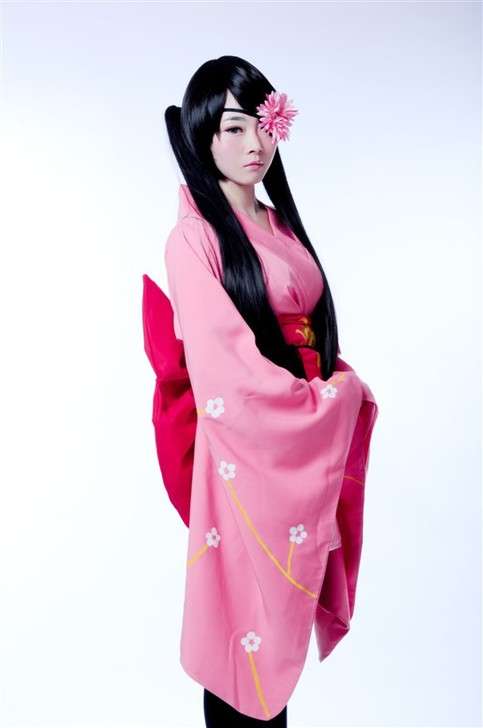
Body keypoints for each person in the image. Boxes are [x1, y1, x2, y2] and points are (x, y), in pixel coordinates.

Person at [145, 55, 379, 725]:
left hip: (292, 440)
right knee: (243, 628)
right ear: (202, 136)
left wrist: (332, 384)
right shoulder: (193, 239)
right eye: (233, 128)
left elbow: (309, 336)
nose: (254, 144)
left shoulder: (280, 225)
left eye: (263, 125)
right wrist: (328, 402)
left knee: (275, 626)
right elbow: (227, 372)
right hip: (242, 451)